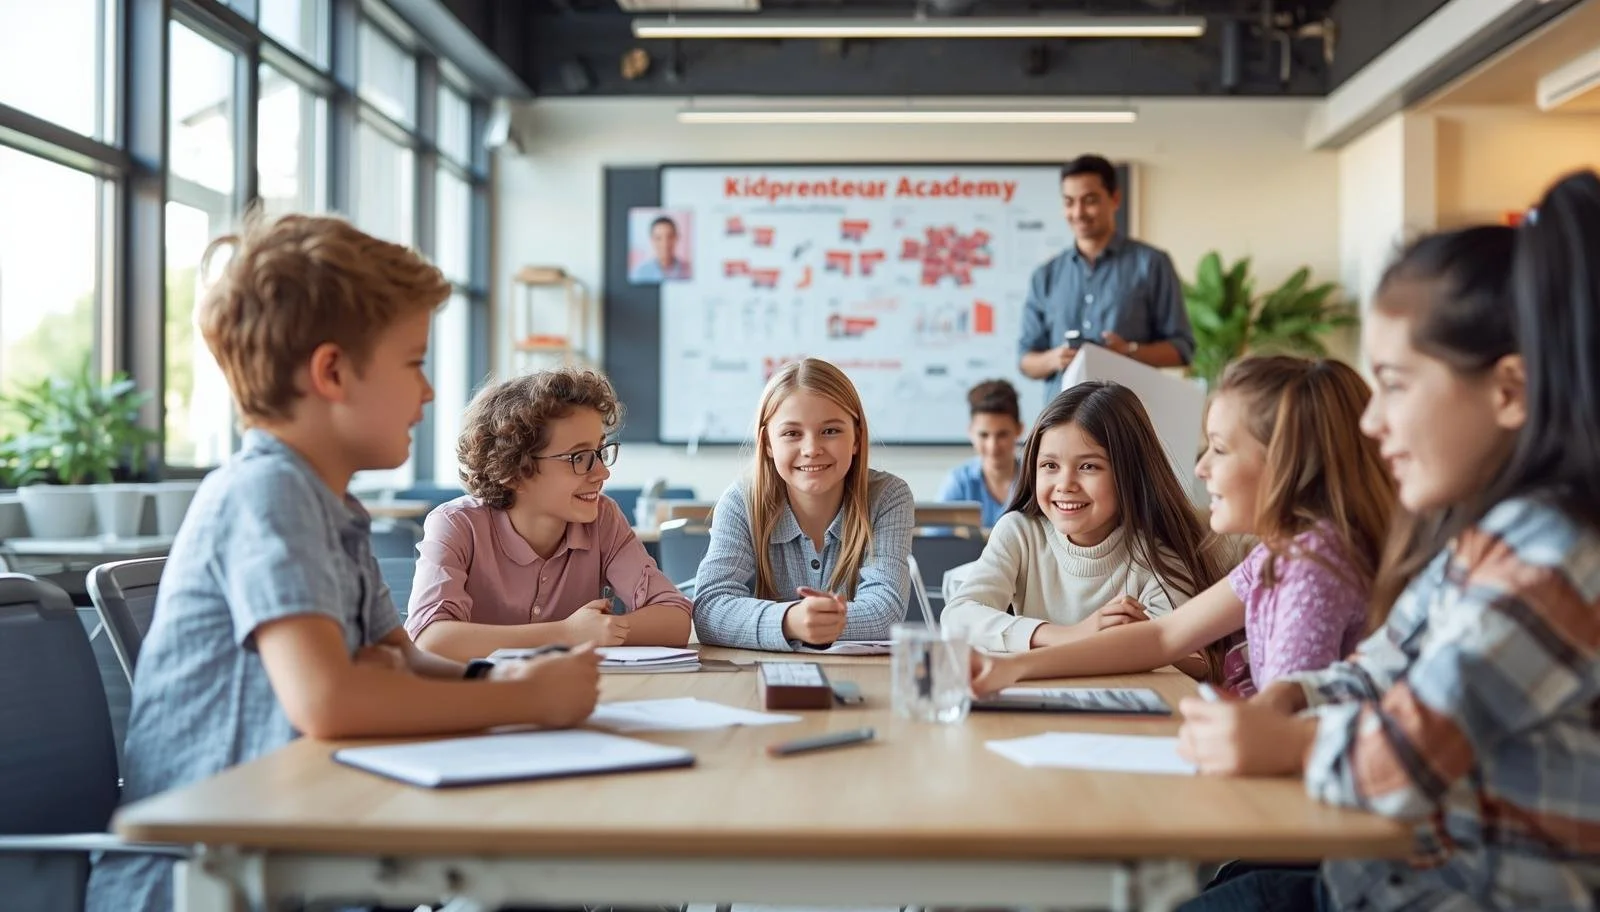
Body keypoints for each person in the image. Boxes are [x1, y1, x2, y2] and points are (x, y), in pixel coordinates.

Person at [85, 213, 601, 912]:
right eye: (414, 362)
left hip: (303, 844)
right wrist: (526, 701)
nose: (428, 392)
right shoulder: (266, 493)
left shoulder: (334, 508)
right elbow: (330, 700)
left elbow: (401, 655)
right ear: (332, 372)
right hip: (208, 879)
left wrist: (499, 673)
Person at [1175, 172, 1600, 911]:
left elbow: (1405, 755)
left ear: (1508, 391)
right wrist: (1291, 700)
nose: (1372, 424)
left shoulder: (1550, 564)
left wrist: (1290, 744)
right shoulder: (1482, 544)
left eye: (1396, 387)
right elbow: (1380, 668)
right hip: (1379, 884)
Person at [969, 358, 1395, 698]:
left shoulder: (1313, 569)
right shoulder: (1276, 557)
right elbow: (1161, 636)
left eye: (1220, 449)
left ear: (1287, 465)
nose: (1201, 467)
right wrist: (1014, 666)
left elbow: (1283, 717)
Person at [405, 369, 693, 661]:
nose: (603, 472)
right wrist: (568, 634)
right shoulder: (456, 524)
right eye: (579, 458)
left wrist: (600, 629)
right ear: (513, 470)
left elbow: (675, 619)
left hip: (571, 697)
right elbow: (432, 640)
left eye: (600, 452)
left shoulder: (602, 519)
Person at [942, 381, 1231, 663]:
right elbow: (958, 617)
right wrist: (1069, 635)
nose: (1065, 484)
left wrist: (1143, 636)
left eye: (1088, 466)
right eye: (1050, 466)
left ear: (1129, 473)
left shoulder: (1156, 553)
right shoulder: (1020, 533)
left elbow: (1198, 662)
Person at [693, 357, 913, 651]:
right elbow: (709, 609)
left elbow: (886, 613)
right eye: (792, 434)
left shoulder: (888, 496)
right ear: (768, 444)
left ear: (857, 438)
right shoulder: (741, 501)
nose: (811, 449)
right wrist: (789, 621)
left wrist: (816, 622)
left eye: (831, 431)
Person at [1017, 154, 1195, 401]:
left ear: (1115, 199)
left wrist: (1129, 352)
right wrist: (1054, 359)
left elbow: (1182, 349)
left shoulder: (1152, 263)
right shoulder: (1045, 275)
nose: (1078, 212)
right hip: (1061, 421)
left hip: (1128, 420)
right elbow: (1025, 360)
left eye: (1089, 200)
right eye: (1069, 202)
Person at [938, 378, 1024, 527]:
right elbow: (933, 543)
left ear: (1019, 430)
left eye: (1002, 434)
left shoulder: (1036, 480)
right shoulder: (959, 482)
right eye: (984, 435)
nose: (993, 446)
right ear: (970, 432)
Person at [630, 214, 691, 283]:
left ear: (676, 238)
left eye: (670, 237)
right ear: (652, 240)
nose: (665, 243)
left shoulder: (688, 270)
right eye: (658, 238)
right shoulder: (639, 273)